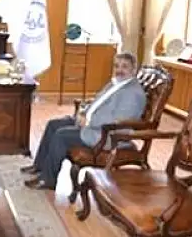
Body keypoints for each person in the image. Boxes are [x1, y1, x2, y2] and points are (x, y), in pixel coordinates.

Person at [22, 52, 147, 190]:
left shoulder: (133, 93)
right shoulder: (116, 83)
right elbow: (97, 102)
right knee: (53, 125)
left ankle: (48, 180)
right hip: (93, 124)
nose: (119, 70)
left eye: (124, 66)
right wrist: (83, 112)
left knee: (61, 135)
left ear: (134, 69)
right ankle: (39, 166)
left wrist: (88, 121)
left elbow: (119, 120)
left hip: (108, 135)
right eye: (117, 66)